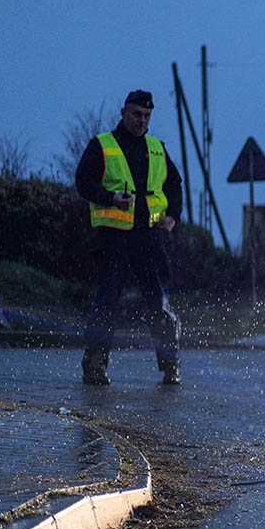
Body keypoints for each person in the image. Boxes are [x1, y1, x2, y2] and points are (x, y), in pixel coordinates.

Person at [75, 89, 184, 386]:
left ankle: (171, 367)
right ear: (123, 112)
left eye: (147, 116)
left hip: (149, 237)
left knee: (159, 304)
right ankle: (95, 366)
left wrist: (174, 215)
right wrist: (109, 197)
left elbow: (174, 184)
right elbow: (83, 182)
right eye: (136, 114)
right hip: (113, 237)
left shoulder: (157, 148)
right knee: (107, 301)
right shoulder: (102, 145)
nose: (142, 120)